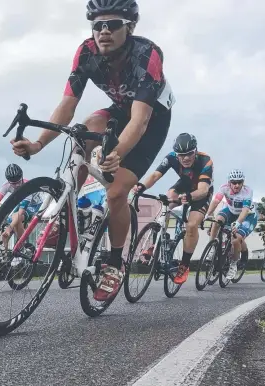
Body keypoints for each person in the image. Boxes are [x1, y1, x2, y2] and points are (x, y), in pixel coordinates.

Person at [11, 0, 174, 301]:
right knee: (79, 133)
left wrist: (117, 154)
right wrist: (37, 143)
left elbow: (139, 122)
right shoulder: (86, 52)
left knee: (116, 192)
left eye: (112, 24)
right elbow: (67, 106)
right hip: (119, 109)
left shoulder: (147, 54)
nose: (103, 31)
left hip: (151, 118)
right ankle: (73, 211)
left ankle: (115, 262)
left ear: (130, 27)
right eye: (97, 25)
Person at [135, 133, 214, 285]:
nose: (185, 158)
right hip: (184, 183)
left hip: (201, 193)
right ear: (176, 154)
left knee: (191, 225)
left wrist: (189, 197)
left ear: (195, 151)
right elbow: (155, 176)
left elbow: (203, 190)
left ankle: (184, 265)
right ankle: (156, 242)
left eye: (189, 153)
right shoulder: (171, 157)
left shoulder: (205, 160)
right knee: (168, 198)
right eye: (182, 155)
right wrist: (142, 186)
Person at [202, 169, 257, 279]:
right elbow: (216, 201)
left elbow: (245, 210)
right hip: (231, 211)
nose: (237, 185)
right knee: (217, 221)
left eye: (239, 182)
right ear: (229, 182)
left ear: (243, 182)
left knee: (236, 239)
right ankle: (212, 247)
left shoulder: (247, 191)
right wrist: (207, 215)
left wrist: (237, 223)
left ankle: (233, 264)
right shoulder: (224, 188)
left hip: (247, 216)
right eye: (234, 182)